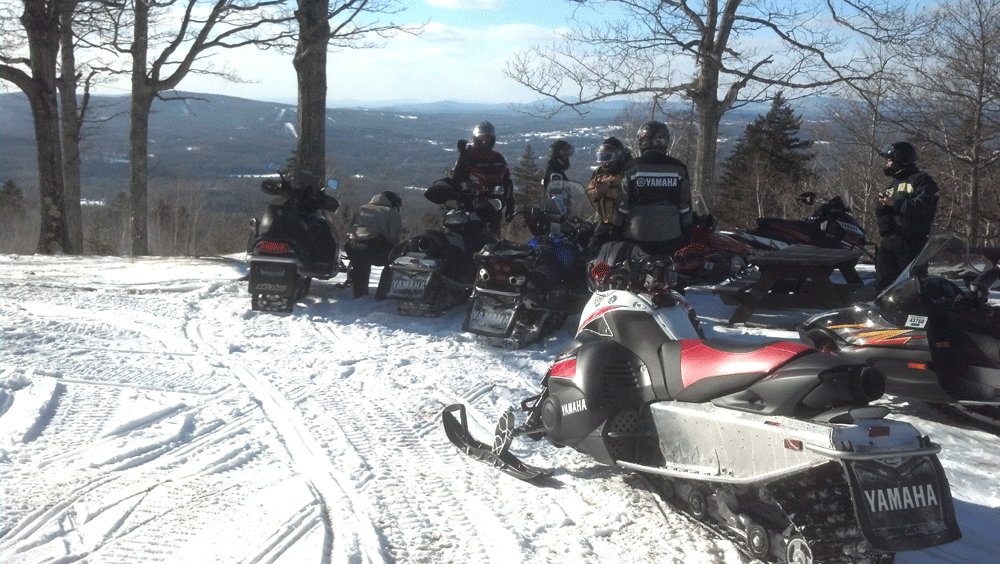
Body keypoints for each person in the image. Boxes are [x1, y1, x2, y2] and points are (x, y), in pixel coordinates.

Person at [612, 120, 692, 256]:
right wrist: (688, 232)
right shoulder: (679, 168)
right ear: (665, 141)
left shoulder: (632, 167)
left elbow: (622, 205)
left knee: (634, 273)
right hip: (670, 236)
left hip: (637, 236)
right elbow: (685, 206)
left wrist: (615, 230)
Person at [874, 141, 939, 293]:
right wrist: (882, 206)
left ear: (901, 159)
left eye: (890, 160)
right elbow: (886, 209)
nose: (887, 164)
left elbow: (923, 205)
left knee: (912, 285)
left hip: (911, 242)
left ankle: (915, 314)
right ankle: (883, 311)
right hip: (890, 241)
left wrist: (895, 202)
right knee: (883, 284)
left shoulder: (921, 180)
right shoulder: (895, 183)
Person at [452, 121, 515, 237]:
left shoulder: (497, 157)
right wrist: (461, 157)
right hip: (471, 206)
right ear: (476, 138)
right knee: (470, 238)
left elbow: (508, 181)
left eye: (488, 138)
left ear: (493, 139)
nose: (485, 142)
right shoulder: (469, 156)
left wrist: (510, 204)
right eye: (482, 138)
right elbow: (456, 178)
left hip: (495, 206)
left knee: (493, 240)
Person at [345, 191, 403, 299]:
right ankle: (382, 292)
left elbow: (349, 230)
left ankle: (359, 292)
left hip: (353, 245)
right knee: (392, 262)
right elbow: (393, 237)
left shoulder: (361, 209)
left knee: (360, 265)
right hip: (375, 246)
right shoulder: (392, 213)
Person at [585, 136, 630, 248]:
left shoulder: (628, 171)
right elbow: (589, 192)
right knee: (591, 245)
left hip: (625, 222)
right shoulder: (599, 173)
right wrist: (597, 193)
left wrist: (609, 191)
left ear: (619, 156)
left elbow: (630, 194)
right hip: (604, 220)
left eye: (608, 158)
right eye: (602, 158)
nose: (605, 163)